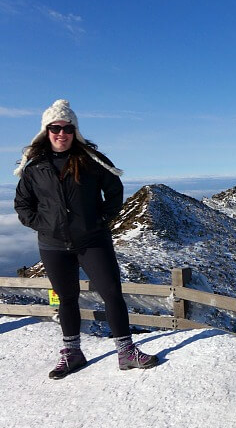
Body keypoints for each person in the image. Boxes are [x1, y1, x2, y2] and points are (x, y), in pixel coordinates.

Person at [14, 99, 158, 379]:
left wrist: (101, 219)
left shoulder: (91, 161)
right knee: (66, 298)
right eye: (55, 128)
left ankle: (126, 352)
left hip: (93, 240)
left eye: (67, 128)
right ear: (46, 131)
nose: (61, 133)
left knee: (112, 294)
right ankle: (73, 354)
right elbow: (22, 204)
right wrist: (43, 225)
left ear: (75, 131)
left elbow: (114, 190)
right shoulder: (35, 167)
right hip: (53, 245)